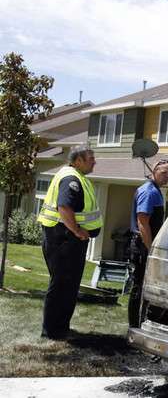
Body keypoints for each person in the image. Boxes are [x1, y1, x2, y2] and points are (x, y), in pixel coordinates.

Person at [37, 145, 102, 340]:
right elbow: (64, 207)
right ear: (78, 160)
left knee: (69, 285)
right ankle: (52, 331)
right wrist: (77, 230)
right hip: (64, 239)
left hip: (69, 240)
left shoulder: (79, 177)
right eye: (90, 158)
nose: (94, 161)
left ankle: (61, 328)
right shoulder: (71, 179)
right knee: (61, 285)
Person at [128, 159, 168, 327]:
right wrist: (151, 249)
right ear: (154, 172)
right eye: (163, 173)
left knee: (146, 286)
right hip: (142, 246)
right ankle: (135, 325)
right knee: (139, 286)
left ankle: (142, 322)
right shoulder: (149, 191)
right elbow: (142, 223)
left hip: (145, 245)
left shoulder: (155, 190)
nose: (166, 176)